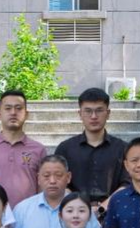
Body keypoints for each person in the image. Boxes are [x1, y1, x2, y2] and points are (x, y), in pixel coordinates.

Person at [54, 86, 127, 214]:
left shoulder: (123, 148)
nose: (93, 116)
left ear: (108, 113)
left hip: (114, 212)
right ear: (80, 114)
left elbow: (127, 183)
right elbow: (59, 182)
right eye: (88, 111)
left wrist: (103, 208)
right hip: (75, 214)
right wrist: (81, 207)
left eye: (99, 110)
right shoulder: (65, 148)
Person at [12, 155, 106, 228]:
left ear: (68, 177)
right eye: (46, 176)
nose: (52, 181)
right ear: (38, 178)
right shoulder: (22, 210)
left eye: (58, 175)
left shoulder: (82, 209)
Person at [0, 89, 47, 208]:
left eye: (18, 108)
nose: (13, 112)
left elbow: (42, 188)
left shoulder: (39, 150)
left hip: (28, 214)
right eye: (8, 108)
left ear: (26, 114)